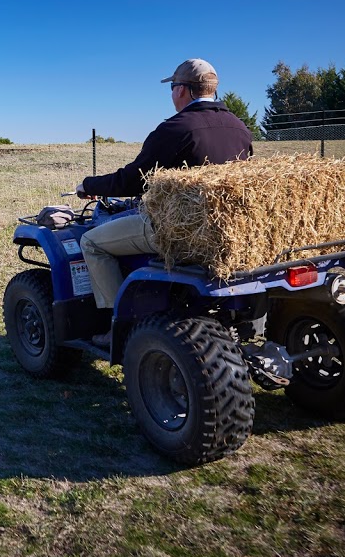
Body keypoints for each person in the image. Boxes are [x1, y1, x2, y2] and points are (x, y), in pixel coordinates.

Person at [75, 59, 253, 345]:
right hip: (226, 230)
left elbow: (133, 180)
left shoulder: (176, 128)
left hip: (179, 229)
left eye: (172, 87)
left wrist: (89, 184)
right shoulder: (239, 127)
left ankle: (115, 325)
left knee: (92, 243)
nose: (172, 94)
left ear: (182, 90)